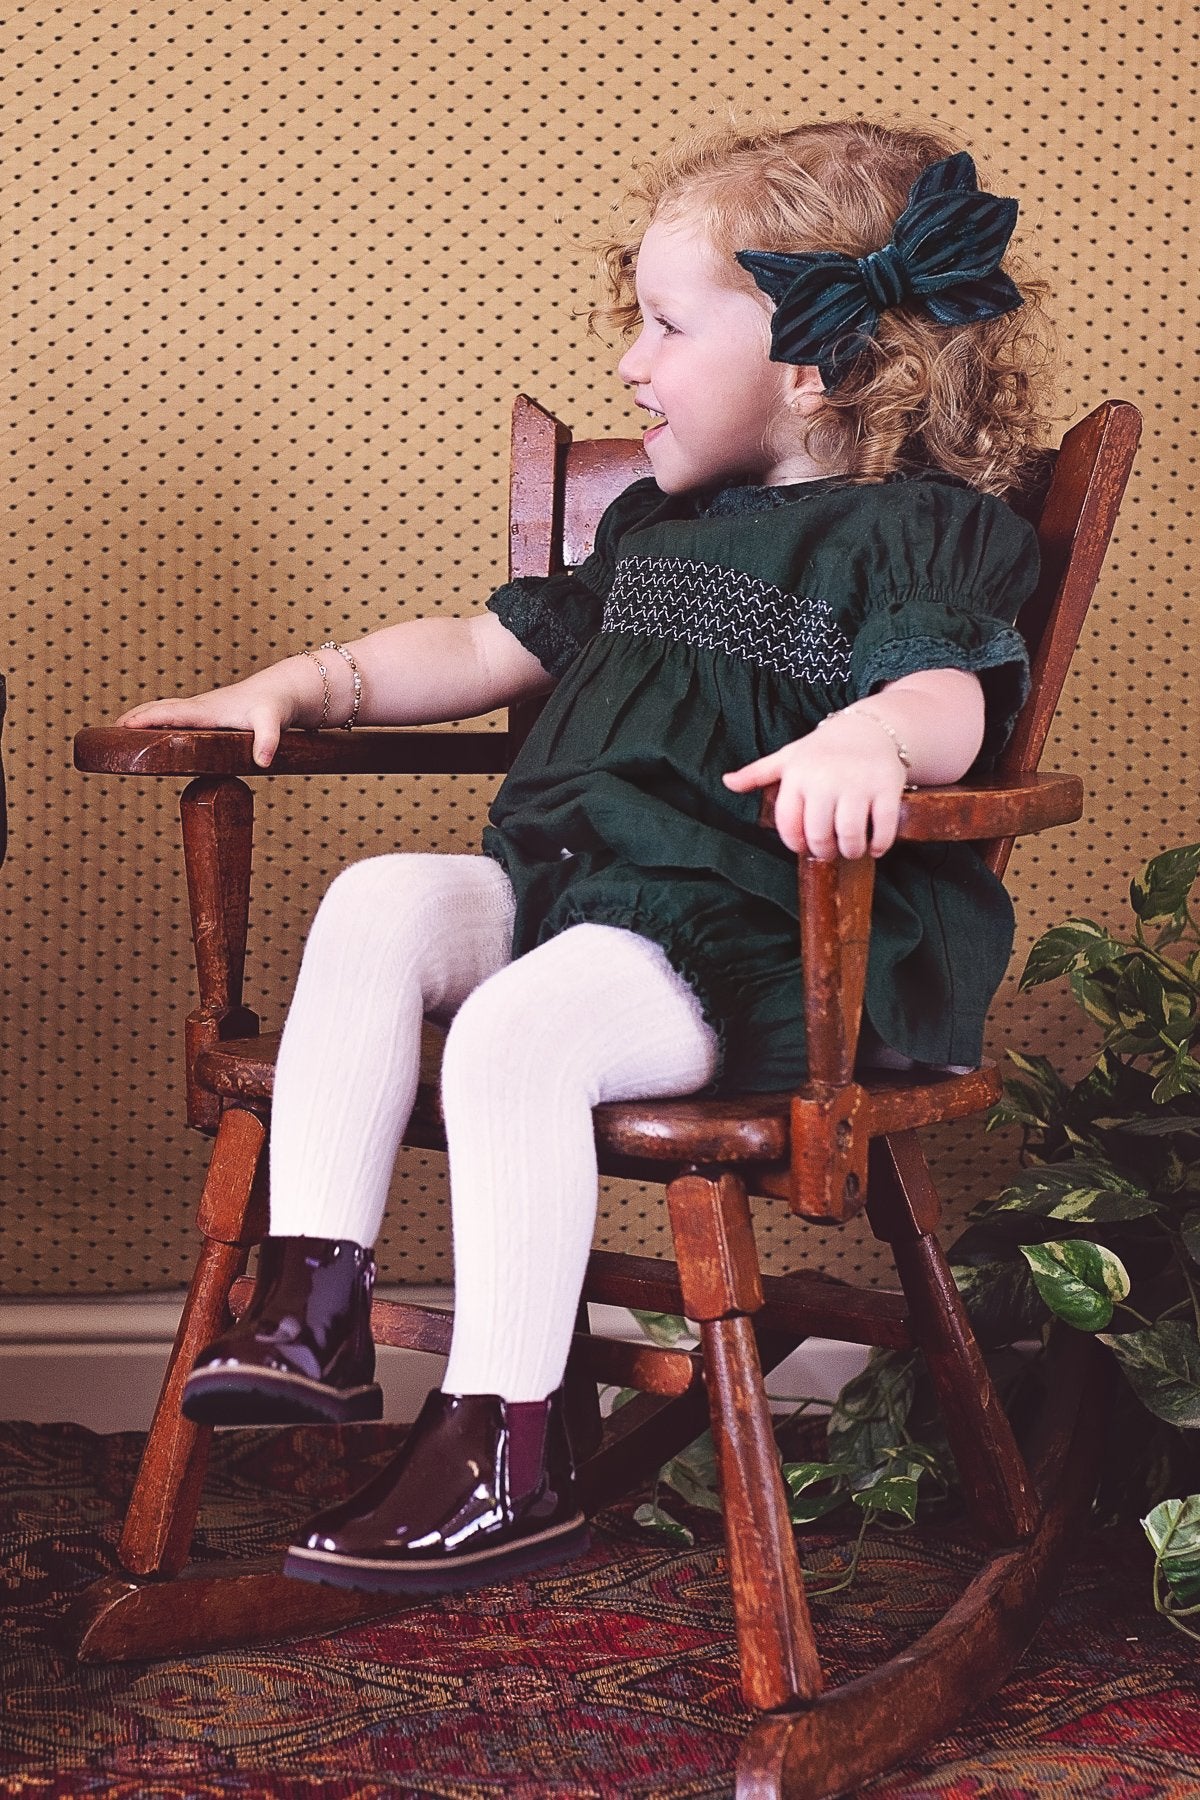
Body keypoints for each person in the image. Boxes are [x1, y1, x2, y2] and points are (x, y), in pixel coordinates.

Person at [116, 119, 1052, 1597]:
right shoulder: (651, 529)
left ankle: (503, 1447)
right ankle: (311, 1309)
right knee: (378, 897)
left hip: (747, 934)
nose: (630, 364)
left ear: (811, 364)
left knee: (513, 1032)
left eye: (668, 327)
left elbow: (952, 695)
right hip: (576, 894)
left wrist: (873, 740)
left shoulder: (914, 536)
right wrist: (297, 685)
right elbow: (478, 647)